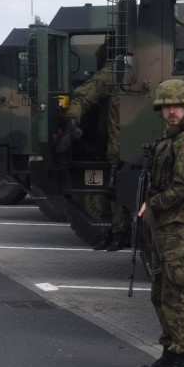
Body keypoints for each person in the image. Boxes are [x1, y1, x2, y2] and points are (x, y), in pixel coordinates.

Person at [136, 79, 184, 367]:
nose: (171, 111)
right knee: (161, 293)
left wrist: (154, 203)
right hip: (164, 229)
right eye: (166, 106)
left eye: (176, 106)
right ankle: (169, 353)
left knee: (179, 295)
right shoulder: (168, 140)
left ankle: (183, 364)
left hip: (179, 228)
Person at [56, 42, 128, 251]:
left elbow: (84, 96)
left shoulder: (114, 72)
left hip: (124, 149)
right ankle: (114, 234)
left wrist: (72, 119)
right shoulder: (116, 73)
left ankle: (119, 234)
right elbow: (84, 97)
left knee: (117, 195)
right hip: (116, 149)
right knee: (110, 194)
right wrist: (72, 120)